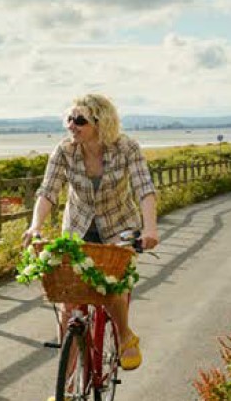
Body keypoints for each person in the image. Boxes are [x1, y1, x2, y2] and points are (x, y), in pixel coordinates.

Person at [22, 93, 160, 373]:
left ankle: (124, 335)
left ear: (101, 123)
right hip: (78, 226)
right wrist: (35, 224)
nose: (72, 125)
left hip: (119, 226)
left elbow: (144, 189)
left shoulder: (126, 149)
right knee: (69, 302)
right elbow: (48, 191)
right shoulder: (64, 151)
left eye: (80, 120)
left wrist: (150, 228)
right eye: (69, 119)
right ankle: (69, 384)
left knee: (112, 287)